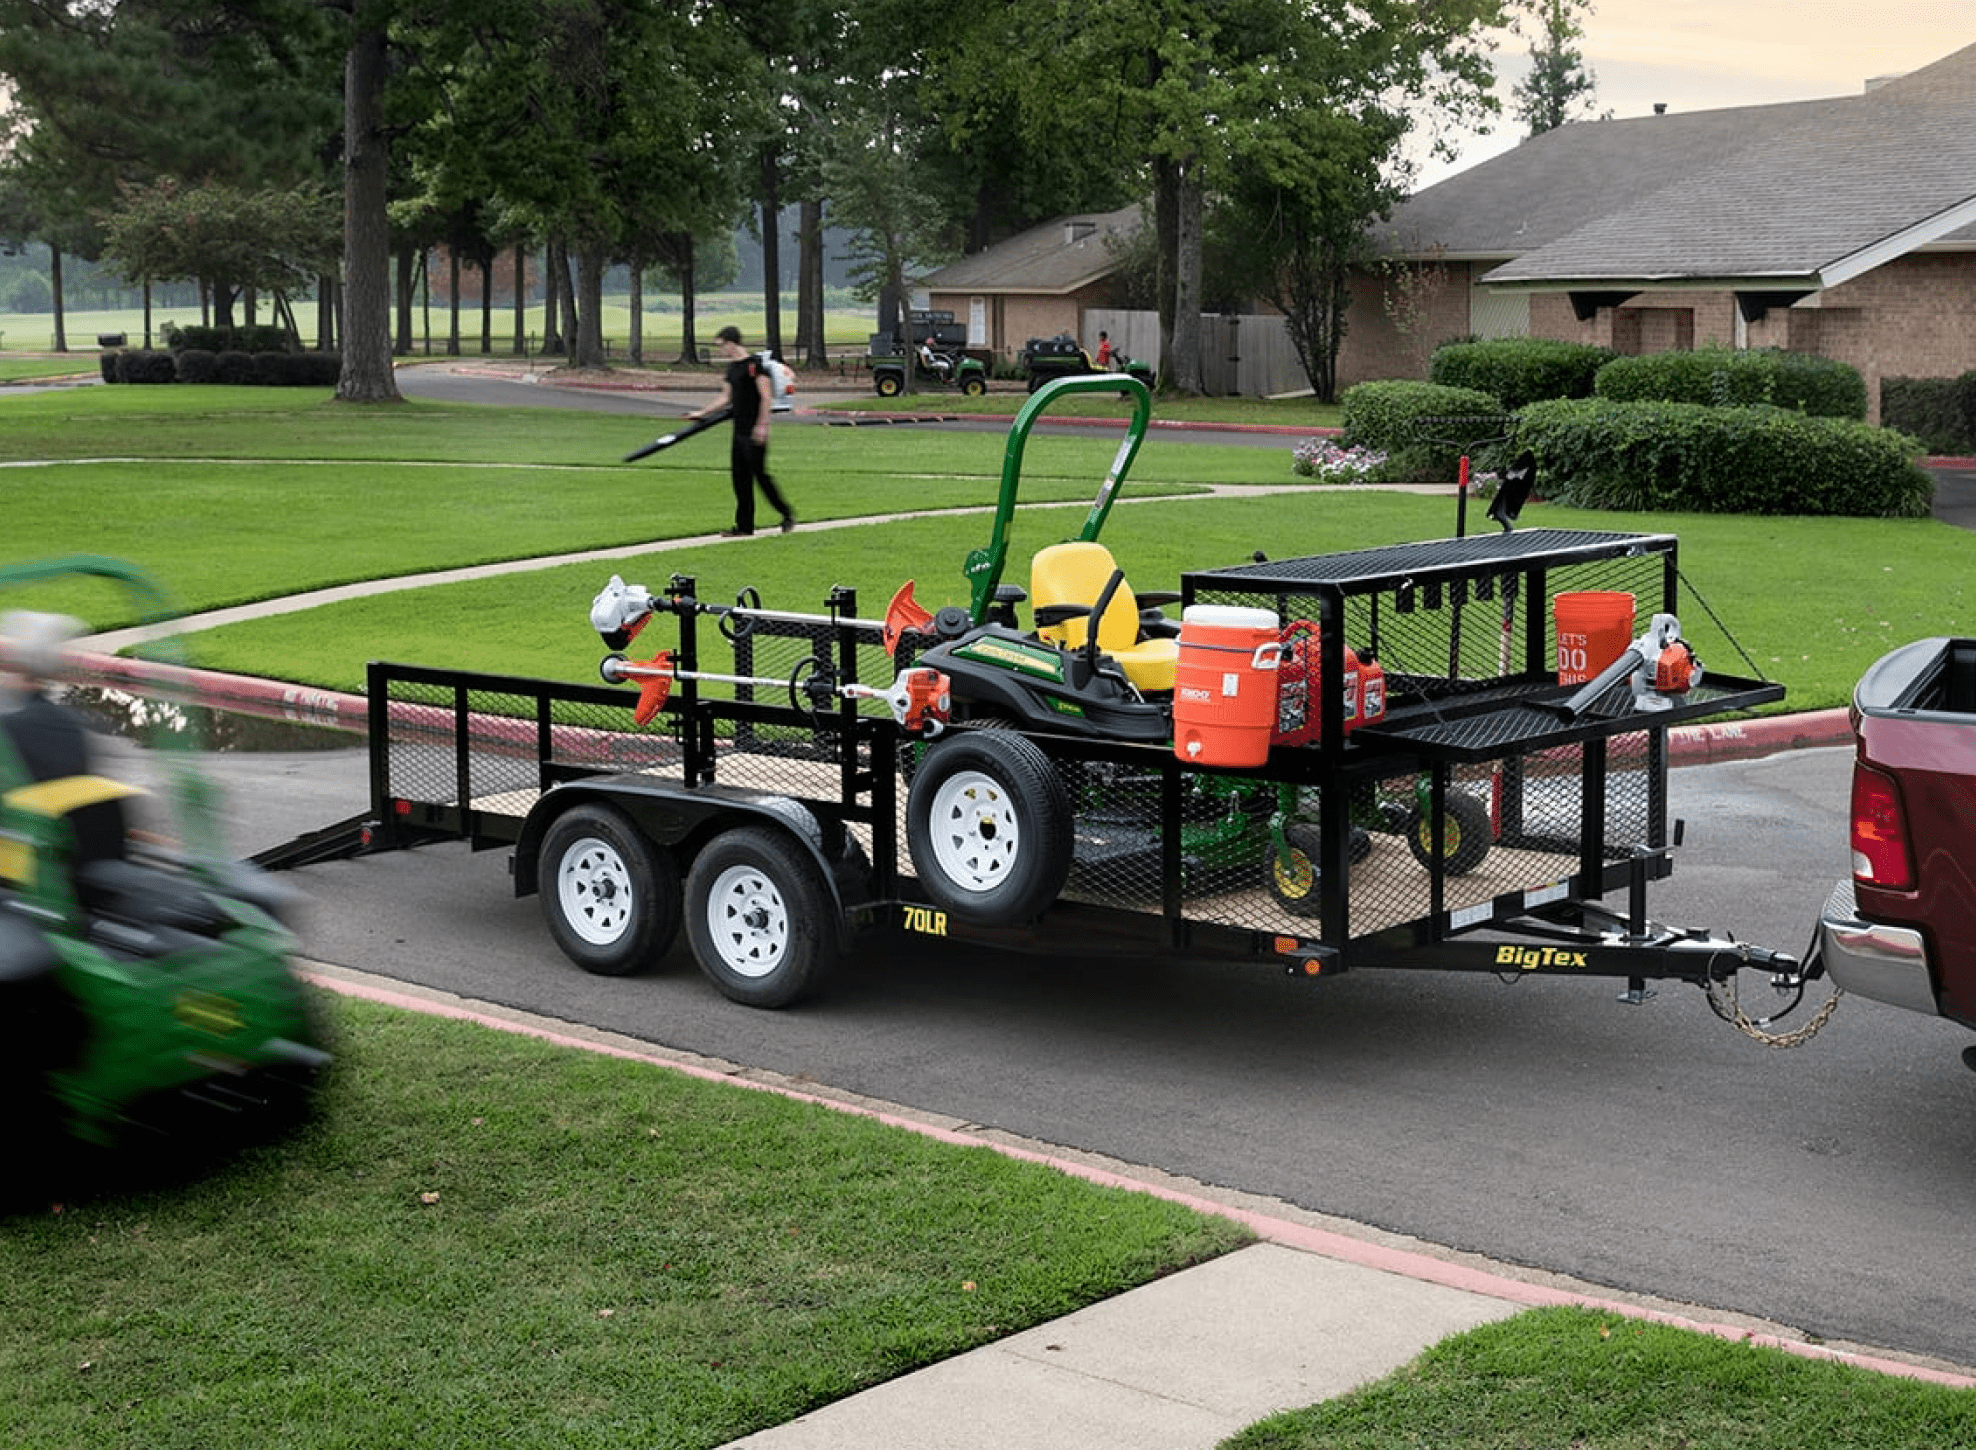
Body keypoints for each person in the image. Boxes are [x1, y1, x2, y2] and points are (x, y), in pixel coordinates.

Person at [687, 325, 796, 537]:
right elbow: (724, 398)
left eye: (721, 346)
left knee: (760, 476)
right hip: (738, 430)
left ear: (731, 343)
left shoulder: (754, 366)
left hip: (755, 430)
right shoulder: (732, 369)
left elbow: (766, 397)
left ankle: (786, 513)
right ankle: (744, 526)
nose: (719, 350)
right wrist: (702, 413)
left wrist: (762, 425)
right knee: (740, 478)